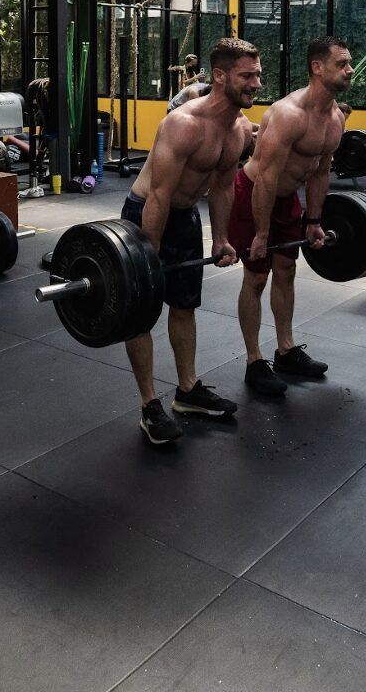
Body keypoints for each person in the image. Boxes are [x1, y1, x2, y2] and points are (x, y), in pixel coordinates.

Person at [123, 38, 261, 444]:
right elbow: (159, 196)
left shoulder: (238, 129)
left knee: (184, 306)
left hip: (184, 218)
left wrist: (220, 239)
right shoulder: (182, 124)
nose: (256, 82)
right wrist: (148, 255)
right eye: (246, 75)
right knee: (142, 310)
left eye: (257, 73)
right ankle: (150, 405)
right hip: (146, 213)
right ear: (219, 76)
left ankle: (187, 391)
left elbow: (221, 187)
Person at [230, 36, 350, 397]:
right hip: (254, 196)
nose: (349, 70)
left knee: (287, 271)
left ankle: (286, 349)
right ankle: (254, 361)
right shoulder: (288, 114)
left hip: (287, 201)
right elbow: (265, 177)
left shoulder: (334, 120)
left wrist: (313, 220)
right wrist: (261, 233)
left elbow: (320, 172)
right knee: (256, 278)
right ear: (317, 67)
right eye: (341, 64)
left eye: (348, 64)